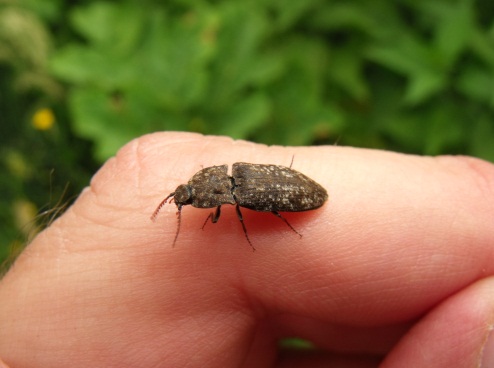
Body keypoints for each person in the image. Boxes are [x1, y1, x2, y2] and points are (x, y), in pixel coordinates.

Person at [0, 132, 493, 368]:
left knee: (268, 208)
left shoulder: (232, 199)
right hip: (276, 185)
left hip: (289, 194)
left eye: (192, 198)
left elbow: (260, 202)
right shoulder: (224, 184)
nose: (190, 203)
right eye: (190, 199)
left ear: (209, 193)